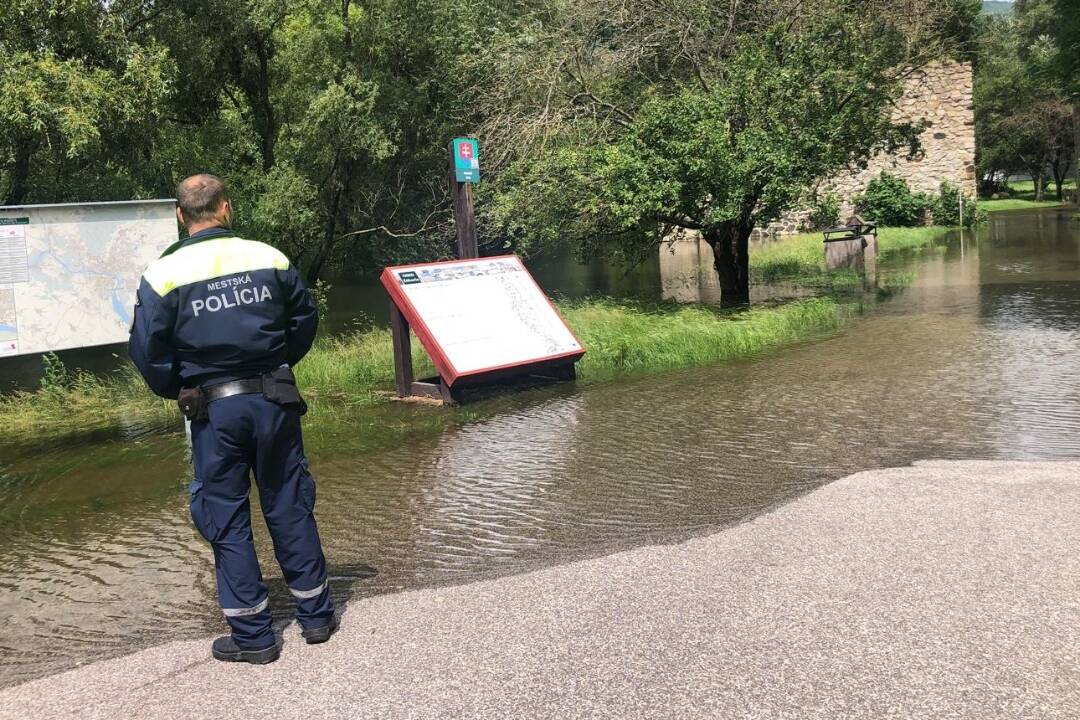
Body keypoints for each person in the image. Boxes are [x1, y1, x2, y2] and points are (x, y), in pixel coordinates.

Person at [129, 174, 336, 665]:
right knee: (288, 501)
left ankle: (254, 637)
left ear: (181, 216)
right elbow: (304, 319)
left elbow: (147, 351)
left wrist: (178, 388)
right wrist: (277, 363)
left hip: (213, 410)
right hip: (275, 400)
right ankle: (317, 617)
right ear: (225, 208)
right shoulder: (269, 256)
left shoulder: (162, 274)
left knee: (225, 515)